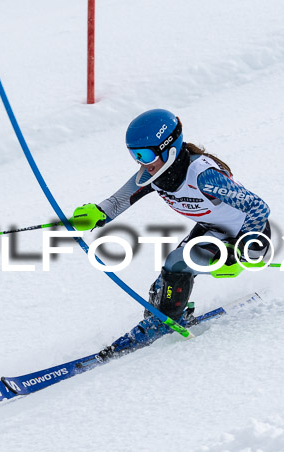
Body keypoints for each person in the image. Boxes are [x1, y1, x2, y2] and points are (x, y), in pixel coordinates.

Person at [72, 109, 271, 353]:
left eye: (144, 154)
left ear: (169, 147)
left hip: (250, 237)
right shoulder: (155, 174)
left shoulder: (203, 176)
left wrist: (241, 251)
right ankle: (171, 316)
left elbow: (258, 207)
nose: (141, 162)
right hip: (213, 231)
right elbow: (117, 202)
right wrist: (95, 214)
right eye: (135, 155)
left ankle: (163, 324)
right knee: (159, 292)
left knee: (177, 263)